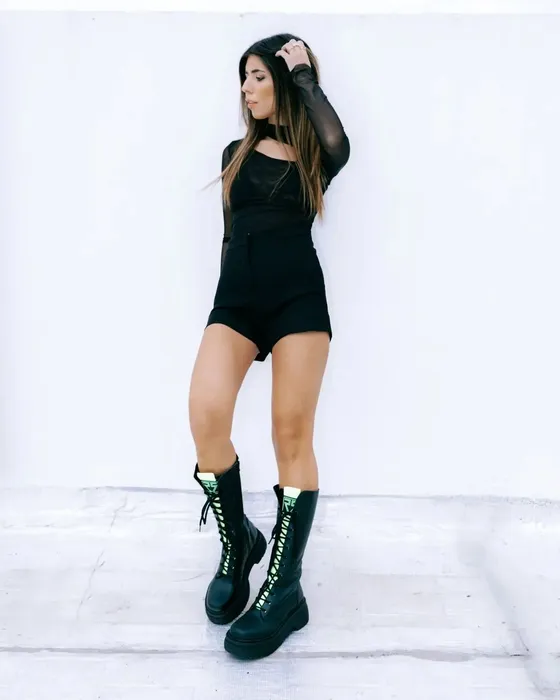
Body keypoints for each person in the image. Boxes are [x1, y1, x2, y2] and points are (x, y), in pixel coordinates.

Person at [189, 33, 350, 660]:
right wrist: (225, 310)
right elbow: (229, 235)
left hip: (298, 301)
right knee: (205, 415)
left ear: (282, 83)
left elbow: (339, 143)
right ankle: (240, 545)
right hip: (238, 299)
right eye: (245, 77)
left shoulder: (314, 154)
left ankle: (285, 590)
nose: (247, 88)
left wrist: (303, 77)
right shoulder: (234, 154)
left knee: (290, 431)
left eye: (259, 76)